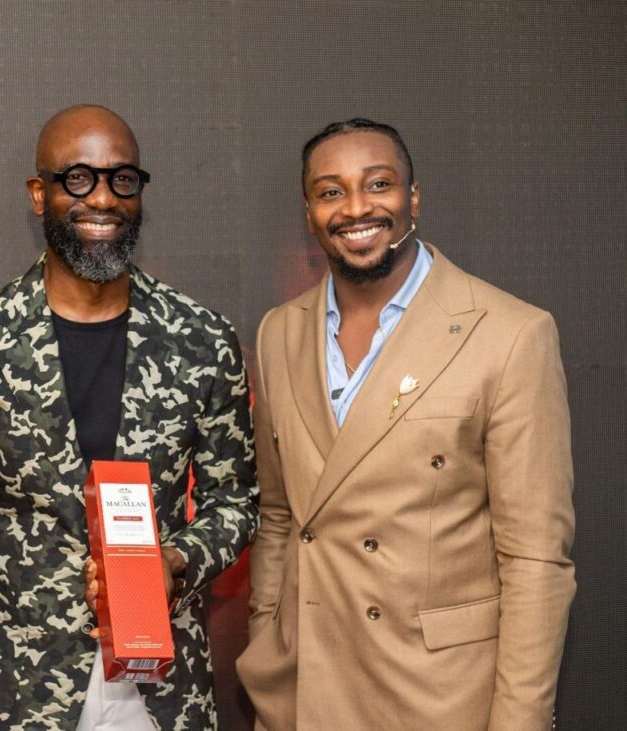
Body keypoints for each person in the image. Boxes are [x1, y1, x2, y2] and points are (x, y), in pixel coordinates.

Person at [0, 105, 259, 730]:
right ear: (38, 193)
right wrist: (15, 609)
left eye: (122, 179)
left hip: (162, 684)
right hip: (16, 688)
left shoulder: (202, 339)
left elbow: (234, 501)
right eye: (78, 178)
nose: (102, 198)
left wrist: (174, 563)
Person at [236, 118, 575, 730]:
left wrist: (520, 721)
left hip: (435, 698)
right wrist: (270, 630)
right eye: (331, 191)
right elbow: (279, 515)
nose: (357, 208)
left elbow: (535, 561)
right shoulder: (278, 331)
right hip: (303, 691)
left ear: (412, 197)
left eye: (379, 184)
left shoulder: (509, 334)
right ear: (310, 213)